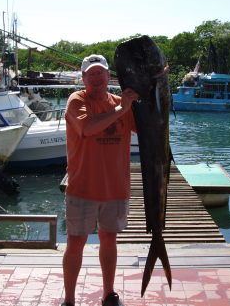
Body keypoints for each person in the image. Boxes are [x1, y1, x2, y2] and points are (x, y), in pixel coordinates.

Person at [61, 54, 139, 306]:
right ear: (83, 78)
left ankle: (108, 293)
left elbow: (149, 125)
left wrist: (147, 91)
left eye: (100, 73)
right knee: (75, 242)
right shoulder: (77, 100)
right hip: (82, 187)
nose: (96, 78)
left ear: (108, 76)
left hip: (116, 187)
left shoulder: (121, 102)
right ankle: (70, 299)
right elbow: (88, 128)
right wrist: (121, 109)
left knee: (109, 239)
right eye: (91, 74)